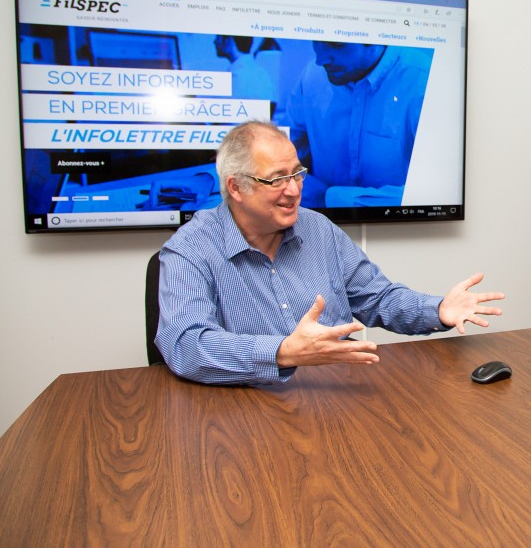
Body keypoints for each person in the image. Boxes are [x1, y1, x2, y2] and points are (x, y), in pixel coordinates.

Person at [155, 120, 504, 385]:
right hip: (244, 415)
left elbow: (378, 299)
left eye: (297, 174)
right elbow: (186, 345)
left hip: (340, 400)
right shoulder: (190, 250)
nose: (294, 190)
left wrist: (438, 309)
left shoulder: (318, 228)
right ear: (236, 187)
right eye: (277, 179)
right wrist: (282, 353)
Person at [279, 41, 433, 208]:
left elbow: (433, 193)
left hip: (402, 229)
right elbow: (281, 152)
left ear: (374, 39)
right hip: (317, 224)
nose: (320, 59)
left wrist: (327, 198)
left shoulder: (423, 82)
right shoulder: (312, 76)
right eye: (317, 43)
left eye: (336, 44)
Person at [214, 34, 277, 101]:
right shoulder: (261, 74)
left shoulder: (236, 77)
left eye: (218, 37)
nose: (214, 42)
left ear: (229, 40)